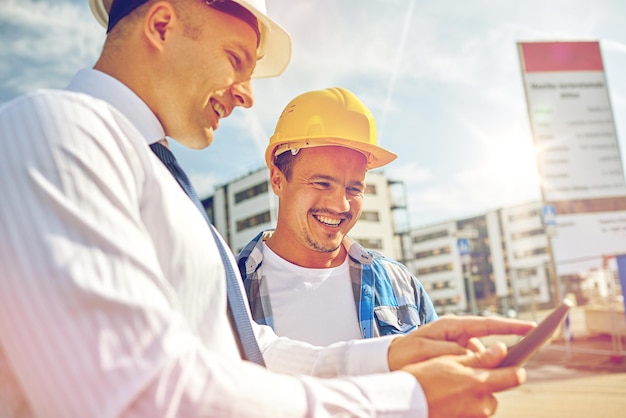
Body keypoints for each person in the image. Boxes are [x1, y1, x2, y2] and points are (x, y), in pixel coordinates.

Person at [0, 0, 535, 416]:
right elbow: (131, 395)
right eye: (236, 60)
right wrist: (406, 403)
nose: (248, 95)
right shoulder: (55, 132)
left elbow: (244, 350)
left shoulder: (156, 179)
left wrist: (395, 356)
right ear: (160, 25)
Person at [237, 87, 438, 346]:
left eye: (354, 188)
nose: (341, 205)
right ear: (277, 180)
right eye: (322, 183)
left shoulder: (400, 285)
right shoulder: (228, 290)